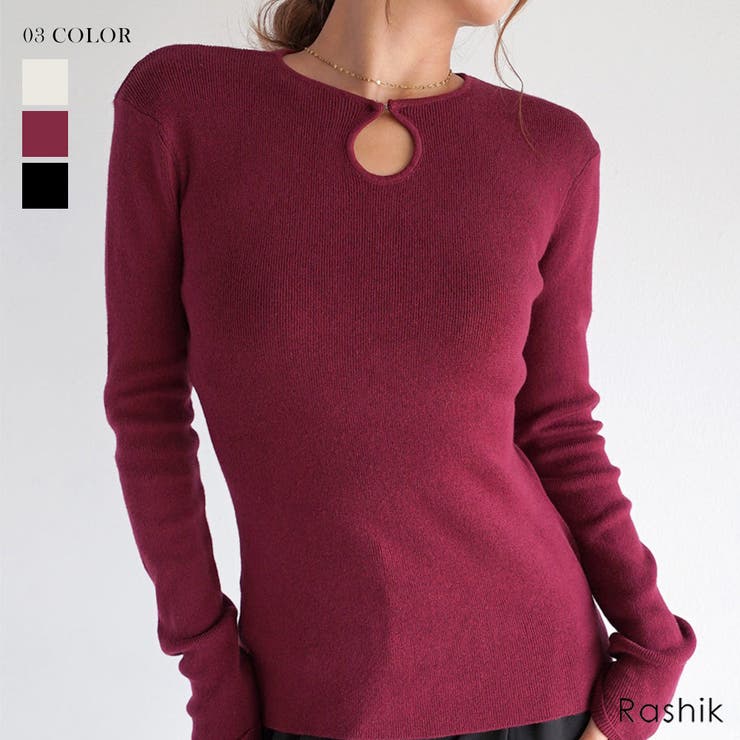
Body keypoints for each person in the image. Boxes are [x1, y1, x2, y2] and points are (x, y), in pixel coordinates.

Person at [102, 1, 698, 739]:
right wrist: (211, 678)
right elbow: (147, 410)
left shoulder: (552, 150)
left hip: (542, 691)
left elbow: (559, 427)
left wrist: (653, 662)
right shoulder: (181, 103)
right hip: (313, 701)